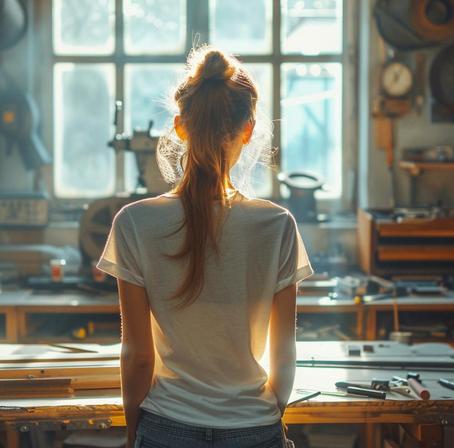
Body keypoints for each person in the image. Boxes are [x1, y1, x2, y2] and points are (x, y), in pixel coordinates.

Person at [97, 45, 313, 448]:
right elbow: (284, 354)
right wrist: (266, 422)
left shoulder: (134, 222)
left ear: (180, 126)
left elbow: (137, 356)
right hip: (253, 429)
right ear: (247, 132)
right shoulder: (278, 225)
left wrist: (133, 435)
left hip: (166, 427)